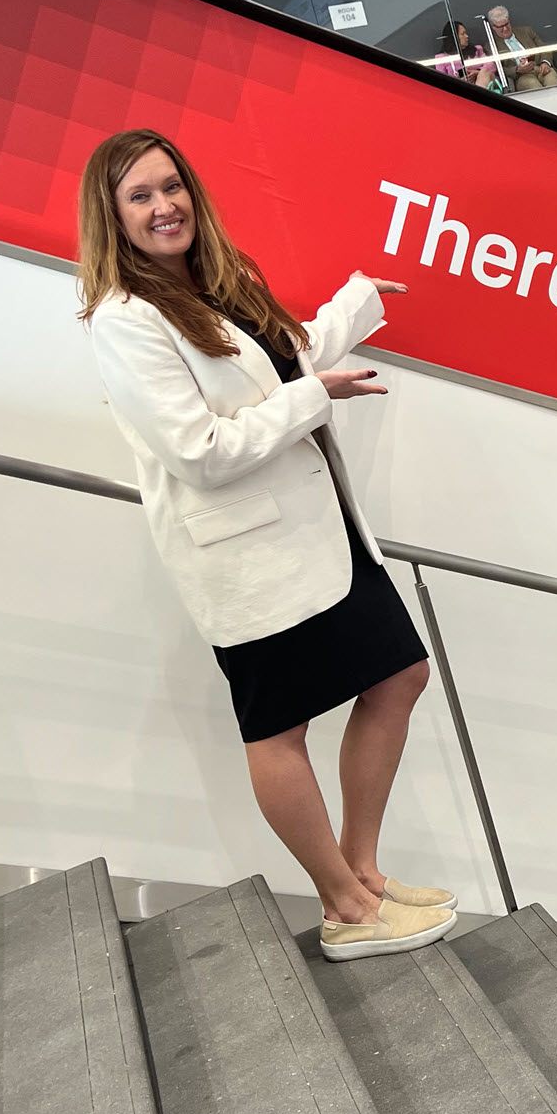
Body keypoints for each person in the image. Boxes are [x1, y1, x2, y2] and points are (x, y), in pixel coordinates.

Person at [78, 129, 456, 963]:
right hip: (248, 559)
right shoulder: (125, 321)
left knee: (400, 673)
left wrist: (354, 306)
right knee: (278, 730)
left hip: (319, 532)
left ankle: (363, 874)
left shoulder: (217, 279)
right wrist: (313, 398)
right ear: (113, 217)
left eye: (171, 186)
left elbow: (285, 368)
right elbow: (199, 452)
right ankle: (345, 908)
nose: (163, 206)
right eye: (139, 196)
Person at [484, 5, 557, 91]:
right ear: (493, 27)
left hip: (540, 67)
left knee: (553, 83)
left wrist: (545, 62)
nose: (505, 29)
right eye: (500, 27)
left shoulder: (526, 31)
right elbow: (499, 70)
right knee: (534, 87)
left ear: (509, 21)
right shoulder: (492, 46)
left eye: (506, 24)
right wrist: (517, 70)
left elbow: (544, 49)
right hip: (522, 76)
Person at [433, 20, 498, 91]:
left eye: (466, 33)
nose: (467, 36)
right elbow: (441, 81)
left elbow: (491, 66)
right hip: (459, 89)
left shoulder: (477, 49)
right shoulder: (441, 58)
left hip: (483, 81)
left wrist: (477, 72)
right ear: (454, 37)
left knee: (485, 72)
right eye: (463, 34)